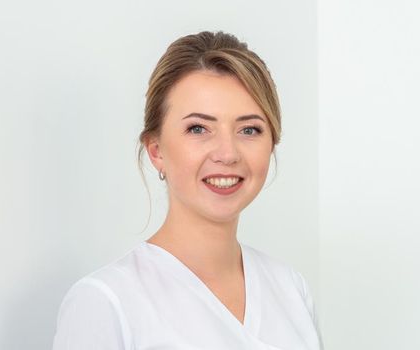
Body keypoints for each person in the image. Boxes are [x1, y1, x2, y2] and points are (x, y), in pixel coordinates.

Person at [52, 31, 322, 350]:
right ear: (156, 150)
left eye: (249, 129)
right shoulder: (106, 302)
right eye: (198, 128)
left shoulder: (289, 288)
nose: (227, 153)